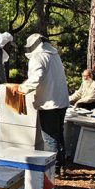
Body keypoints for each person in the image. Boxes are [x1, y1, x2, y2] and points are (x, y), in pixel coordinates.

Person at [18, 34, 69, 174]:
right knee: (58, 134)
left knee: (50, 138)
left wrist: (21, 89)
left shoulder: (38, 56)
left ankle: (53, 169)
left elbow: (36, 79)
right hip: (61, 101)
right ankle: (61, 165)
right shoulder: (54, 55)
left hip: (49, 103)